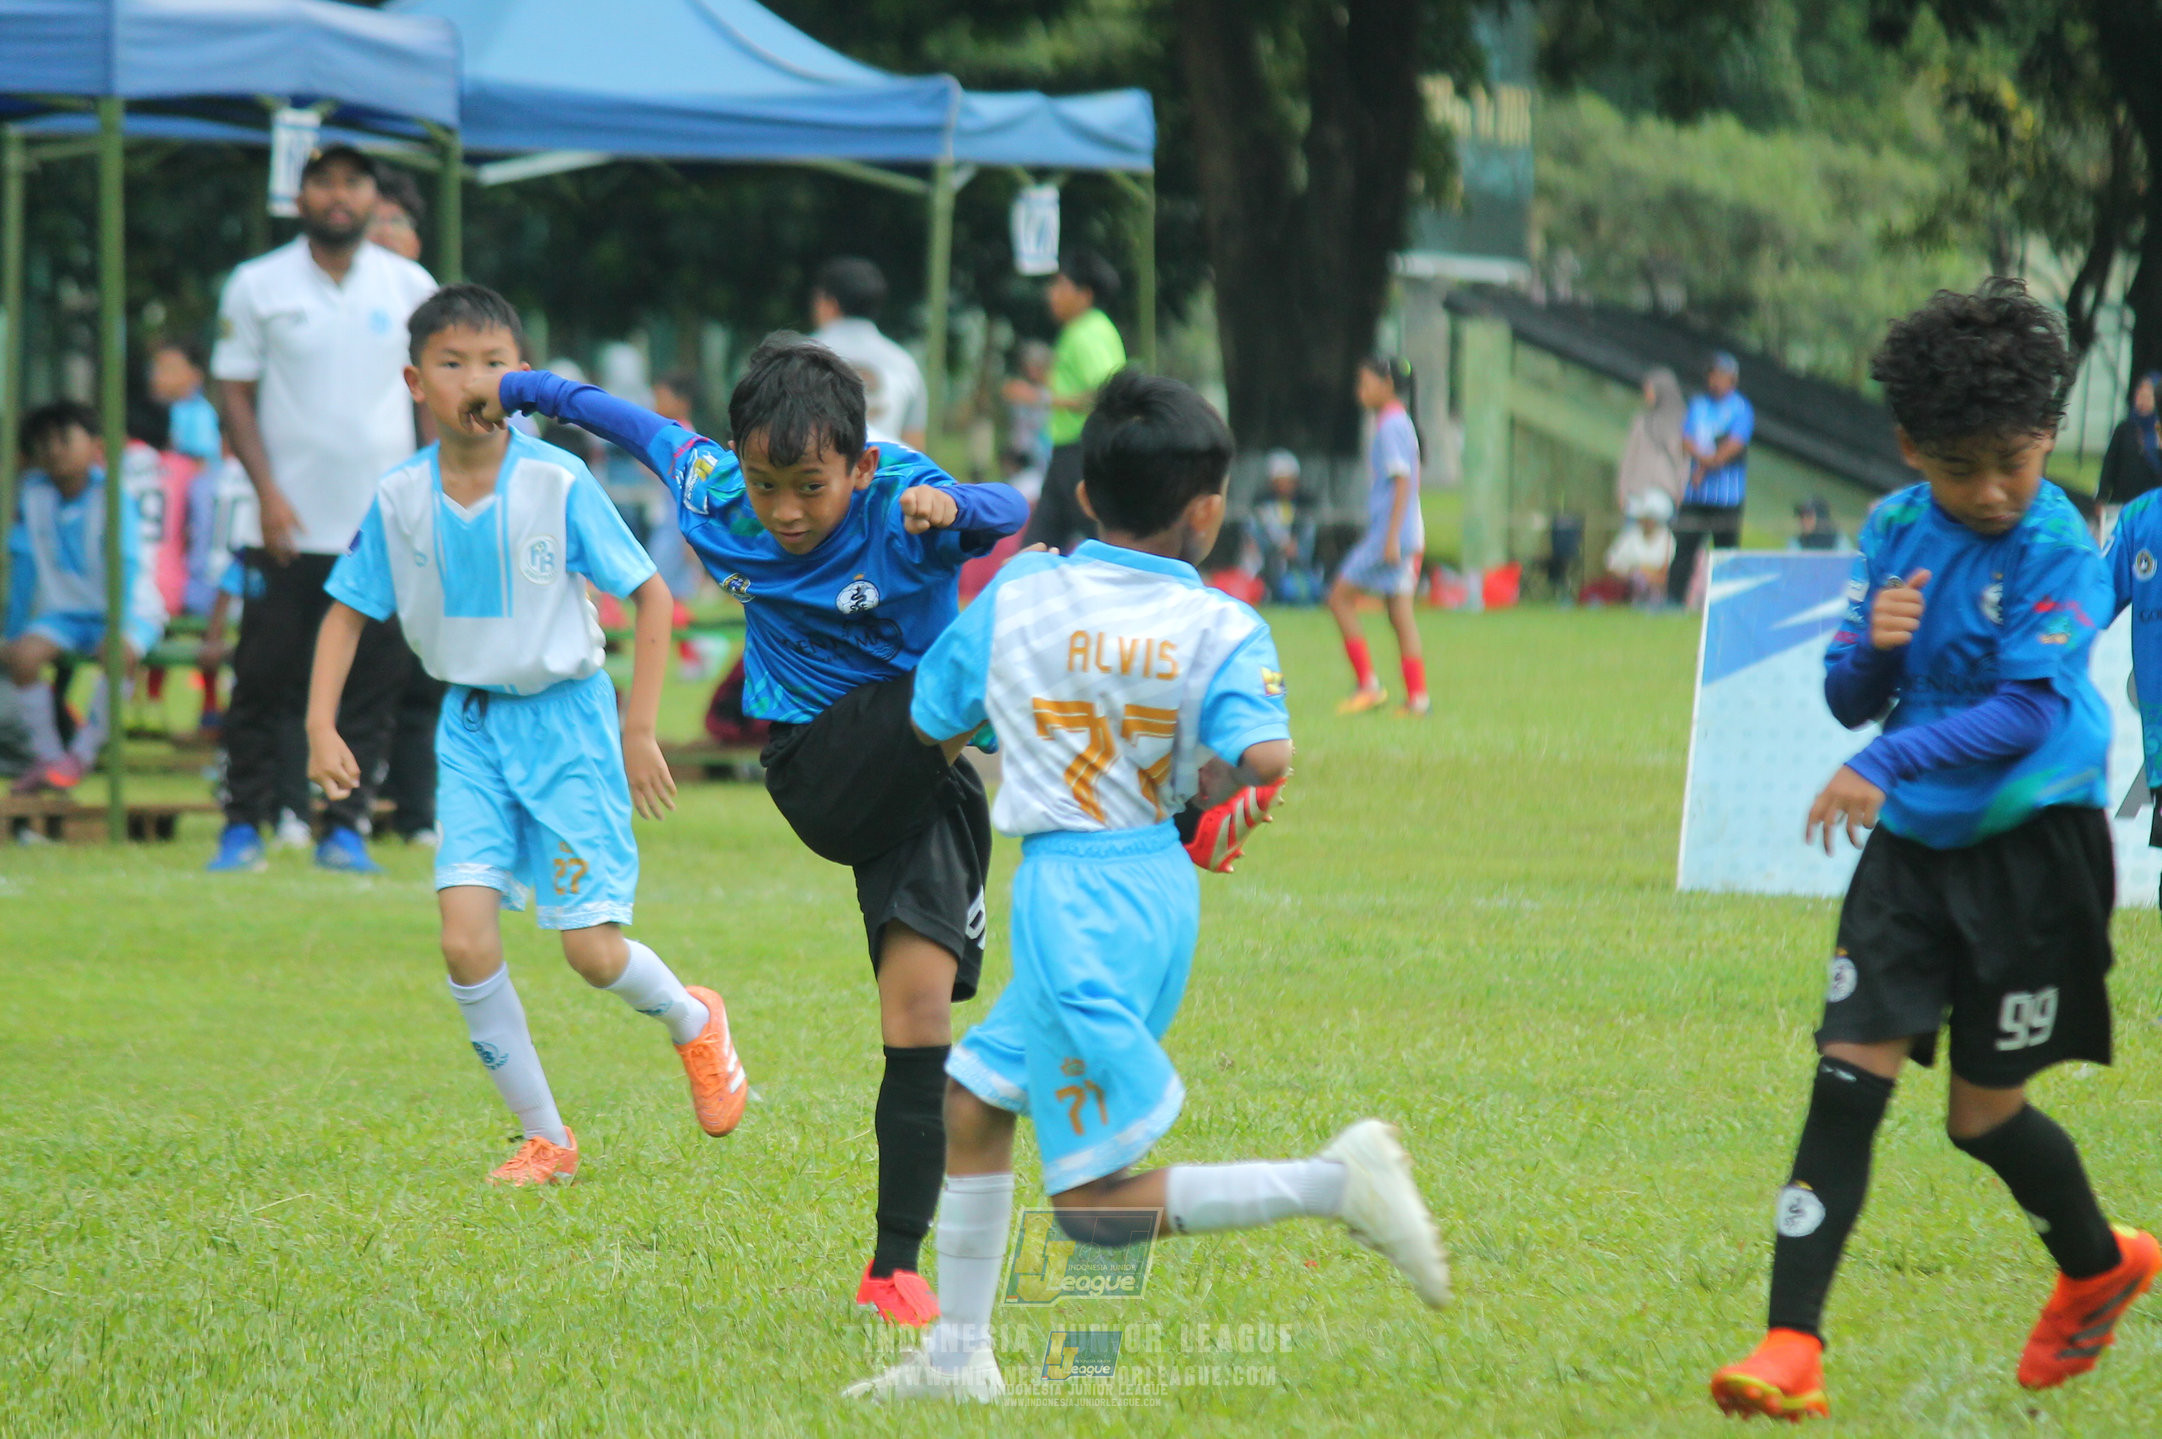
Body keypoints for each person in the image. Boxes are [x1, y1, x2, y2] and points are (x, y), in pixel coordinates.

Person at [845, 369, 1449, 1402]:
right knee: (973, 1099)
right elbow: (1262, 756)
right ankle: (956, 1357)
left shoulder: (1024, 590)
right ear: (1206, 508)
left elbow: (937, 717)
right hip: (1142, 884)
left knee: (1086, 1203)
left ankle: (1332, 1180)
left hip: (1077, 904)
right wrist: (1210, 794)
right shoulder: (1221, 624)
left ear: (1084, 493)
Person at [462, 334, 1029, 1323]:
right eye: (767, 483)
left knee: (919, 1020)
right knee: (1015, 619)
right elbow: (618, 416)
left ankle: (891, 1267)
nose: (786, 511)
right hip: (817, 768)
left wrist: (958, 508)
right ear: (737, 461)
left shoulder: (904, 499)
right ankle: (1165, 789)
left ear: (859, 464)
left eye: (811, 486)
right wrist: (512, 387)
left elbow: (1010, 509)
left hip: (920, 790)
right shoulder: (714, 492)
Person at [1709, 279, 2158, 1422]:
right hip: (1911, 853)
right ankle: (1788, 1342)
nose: (1994, 489)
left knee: (1979, 1118)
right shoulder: (1895, 527)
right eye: (1961, 468)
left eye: (2012, 459)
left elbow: (2024, 712)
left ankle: (2096, 1260)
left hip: (2028, 849)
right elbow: (1850, 695)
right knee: (1842, 1078)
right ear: (1911, 448)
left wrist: (1883, 764)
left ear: (2046, 434)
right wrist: (1870, 646)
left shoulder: (2059, 544)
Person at [304, 284, 745, 1186]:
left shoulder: (556, 478)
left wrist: (639, 727)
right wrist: (319, 723)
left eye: (496, 363)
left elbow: (652, 592)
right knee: (464, 939)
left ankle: (695, 1018)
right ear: (413, 381)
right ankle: (547, 1137)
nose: (475, 379)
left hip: (568, 724)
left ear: (525, 380)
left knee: (589, 951)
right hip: (470, 728)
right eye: (452, 361)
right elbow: (348, 610)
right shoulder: (398, 498)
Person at [207, 142, 438, 874]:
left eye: (353, 183)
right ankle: (243, 823)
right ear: (299, 197)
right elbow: (234, 394)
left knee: (372, 685)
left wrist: (431, 487)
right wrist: (268, 493)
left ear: (373, 197)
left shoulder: (409, 284)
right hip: (283, 523)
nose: (339, 196)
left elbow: (432, 392)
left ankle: (345, 826)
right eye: (323, 183)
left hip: (380, 525)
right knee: (264, 677)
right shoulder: (257, 283)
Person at [3, 402, 167, 794]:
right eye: (44, 443)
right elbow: (24, 562)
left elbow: (126, 564)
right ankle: (47, 755)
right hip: (67, 612)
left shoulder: (111, 495)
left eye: (64, 439)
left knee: (117, 654)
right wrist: (13, 632)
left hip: (128, 607)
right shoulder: (33, 497)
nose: (54, 450)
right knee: (23, 658)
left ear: (95, 446)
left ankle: (83, 753)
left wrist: (119, 625)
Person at [1327, 355, 1428, 716]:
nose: (1360, 391)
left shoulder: (1391, 425)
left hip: (1391, 535)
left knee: (1339, 597)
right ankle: (1418, 700)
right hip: (1402, 534)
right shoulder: (1397, 422)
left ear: (1387, 386)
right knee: (1399, 614)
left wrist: (1389, 539)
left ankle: (1368, 685)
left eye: (1365, 384)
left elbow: (1402, 484)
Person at [1019, 251, 1127, 554]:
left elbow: (1105, 392)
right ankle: (1020, 588)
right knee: (1040, 541)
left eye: (1060, 286)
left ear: (1084, 294)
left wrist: (1037, 397)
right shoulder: (1087, 329)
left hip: (1083, 453)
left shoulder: (1086, 332)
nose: (1051, 294)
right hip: (1068, 451)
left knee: (1105, 540)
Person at [811, 257, 928, 450]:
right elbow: (914, 447)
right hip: (886, 476)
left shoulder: (797, 356)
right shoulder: (905, 364)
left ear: (829, 303)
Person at [1668, 351, 1755, 606]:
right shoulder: (1698, 405)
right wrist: (1706, 459)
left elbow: (1732, 447)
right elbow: (1686, 440)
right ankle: (1673, 600)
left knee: (1726, 553)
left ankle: (1725, 604)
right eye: (1712, 375)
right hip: (1697, 495)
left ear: (1732, 379)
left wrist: (1705, 464)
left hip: (1727, 497)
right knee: (1684, 546)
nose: (1715, 381)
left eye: (1721, 376)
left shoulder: (1741, 409)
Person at [1248, 447, 1320, 604]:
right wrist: (1278, 545)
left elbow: (1308, 536)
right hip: (1269, 558)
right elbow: (1257, 534)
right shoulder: (1262, 506)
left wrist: (1295, 546)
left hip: (1297, 562)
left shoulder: (1304, 506)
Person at [1615, 366, 1688, 515]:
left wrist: (1681, 490)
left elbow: (1684, 462)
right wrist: (1622, 489)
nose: (1646, 395)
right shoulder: (1641, 422)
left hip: (1664, 494)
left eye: (1650, 390)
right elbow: (1629, 457)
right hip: (1636, 493)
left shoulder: (1683, 426)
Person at [2096, 371, 2162, 515]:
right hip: (2121, 503)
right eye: (2140, 395)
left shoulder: (2158, 432)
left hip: (2150, 507)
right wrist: (2102, 496)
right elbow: (2110, 463)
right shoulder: (2124, 429)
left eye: (2148, 396)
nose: (2143, 401)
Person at [149, 340, 221, 466]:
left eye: (170, 370)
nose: (158, 377)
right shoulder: (176, 409)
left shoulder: (199, 414)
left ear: (195, 375)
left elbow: (200, 463)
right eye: (156, 369)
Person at [1600, 488, 1675, 603]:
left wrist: (1646, 575)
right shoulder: (1630, 535)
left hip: (1656, 591)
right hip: (1627, 586)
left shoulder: (1667, 538)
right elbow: (1611, 564)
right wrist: (1631, 574)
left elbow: (1664, 574)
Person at [367, 166, 426, 263]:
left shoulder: (421, 277)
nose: (386, 232)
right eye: (373, 221)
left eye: (397, 221)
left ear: (416, 242)